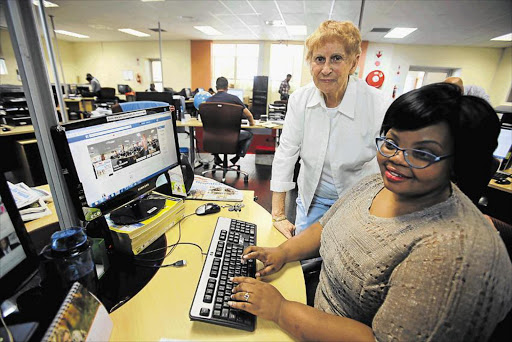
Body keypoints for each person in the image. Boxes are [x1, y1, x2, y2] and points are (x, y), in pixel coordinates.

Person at [229, 83, 512, 341]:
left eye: (423, 153)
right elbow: (327, 226)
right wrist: (284, 252)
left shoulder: (451, 257)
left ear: (459, 162)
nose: (396, 159)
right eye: (391, 142)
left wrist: (280, 310)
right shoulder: (376, 184)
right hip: (310, 305)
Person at [271, 20, 390, 238]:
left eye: (336, 58)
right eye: (319, 59)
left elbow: (390, 161)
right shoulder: (300, 100)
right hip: (312, 198)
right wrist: (278, 215)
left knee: (347, 262)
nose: (326, 69)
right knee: (304, 263)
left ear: (353, 64)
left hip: (359, 201)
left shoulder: (378, 104)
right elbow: (286, 152)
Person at [206, 76, 256, 165]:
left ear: (216, 87)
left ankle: (216, 156)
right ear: (227, 87)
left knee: (216, 133)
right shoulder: (234, 99)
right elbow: (248, 114)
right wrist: (252, 123)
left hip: (213, 137)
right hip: (231, 137)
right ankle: (237, 156)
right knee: (249, 134)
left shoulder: (209, 100)